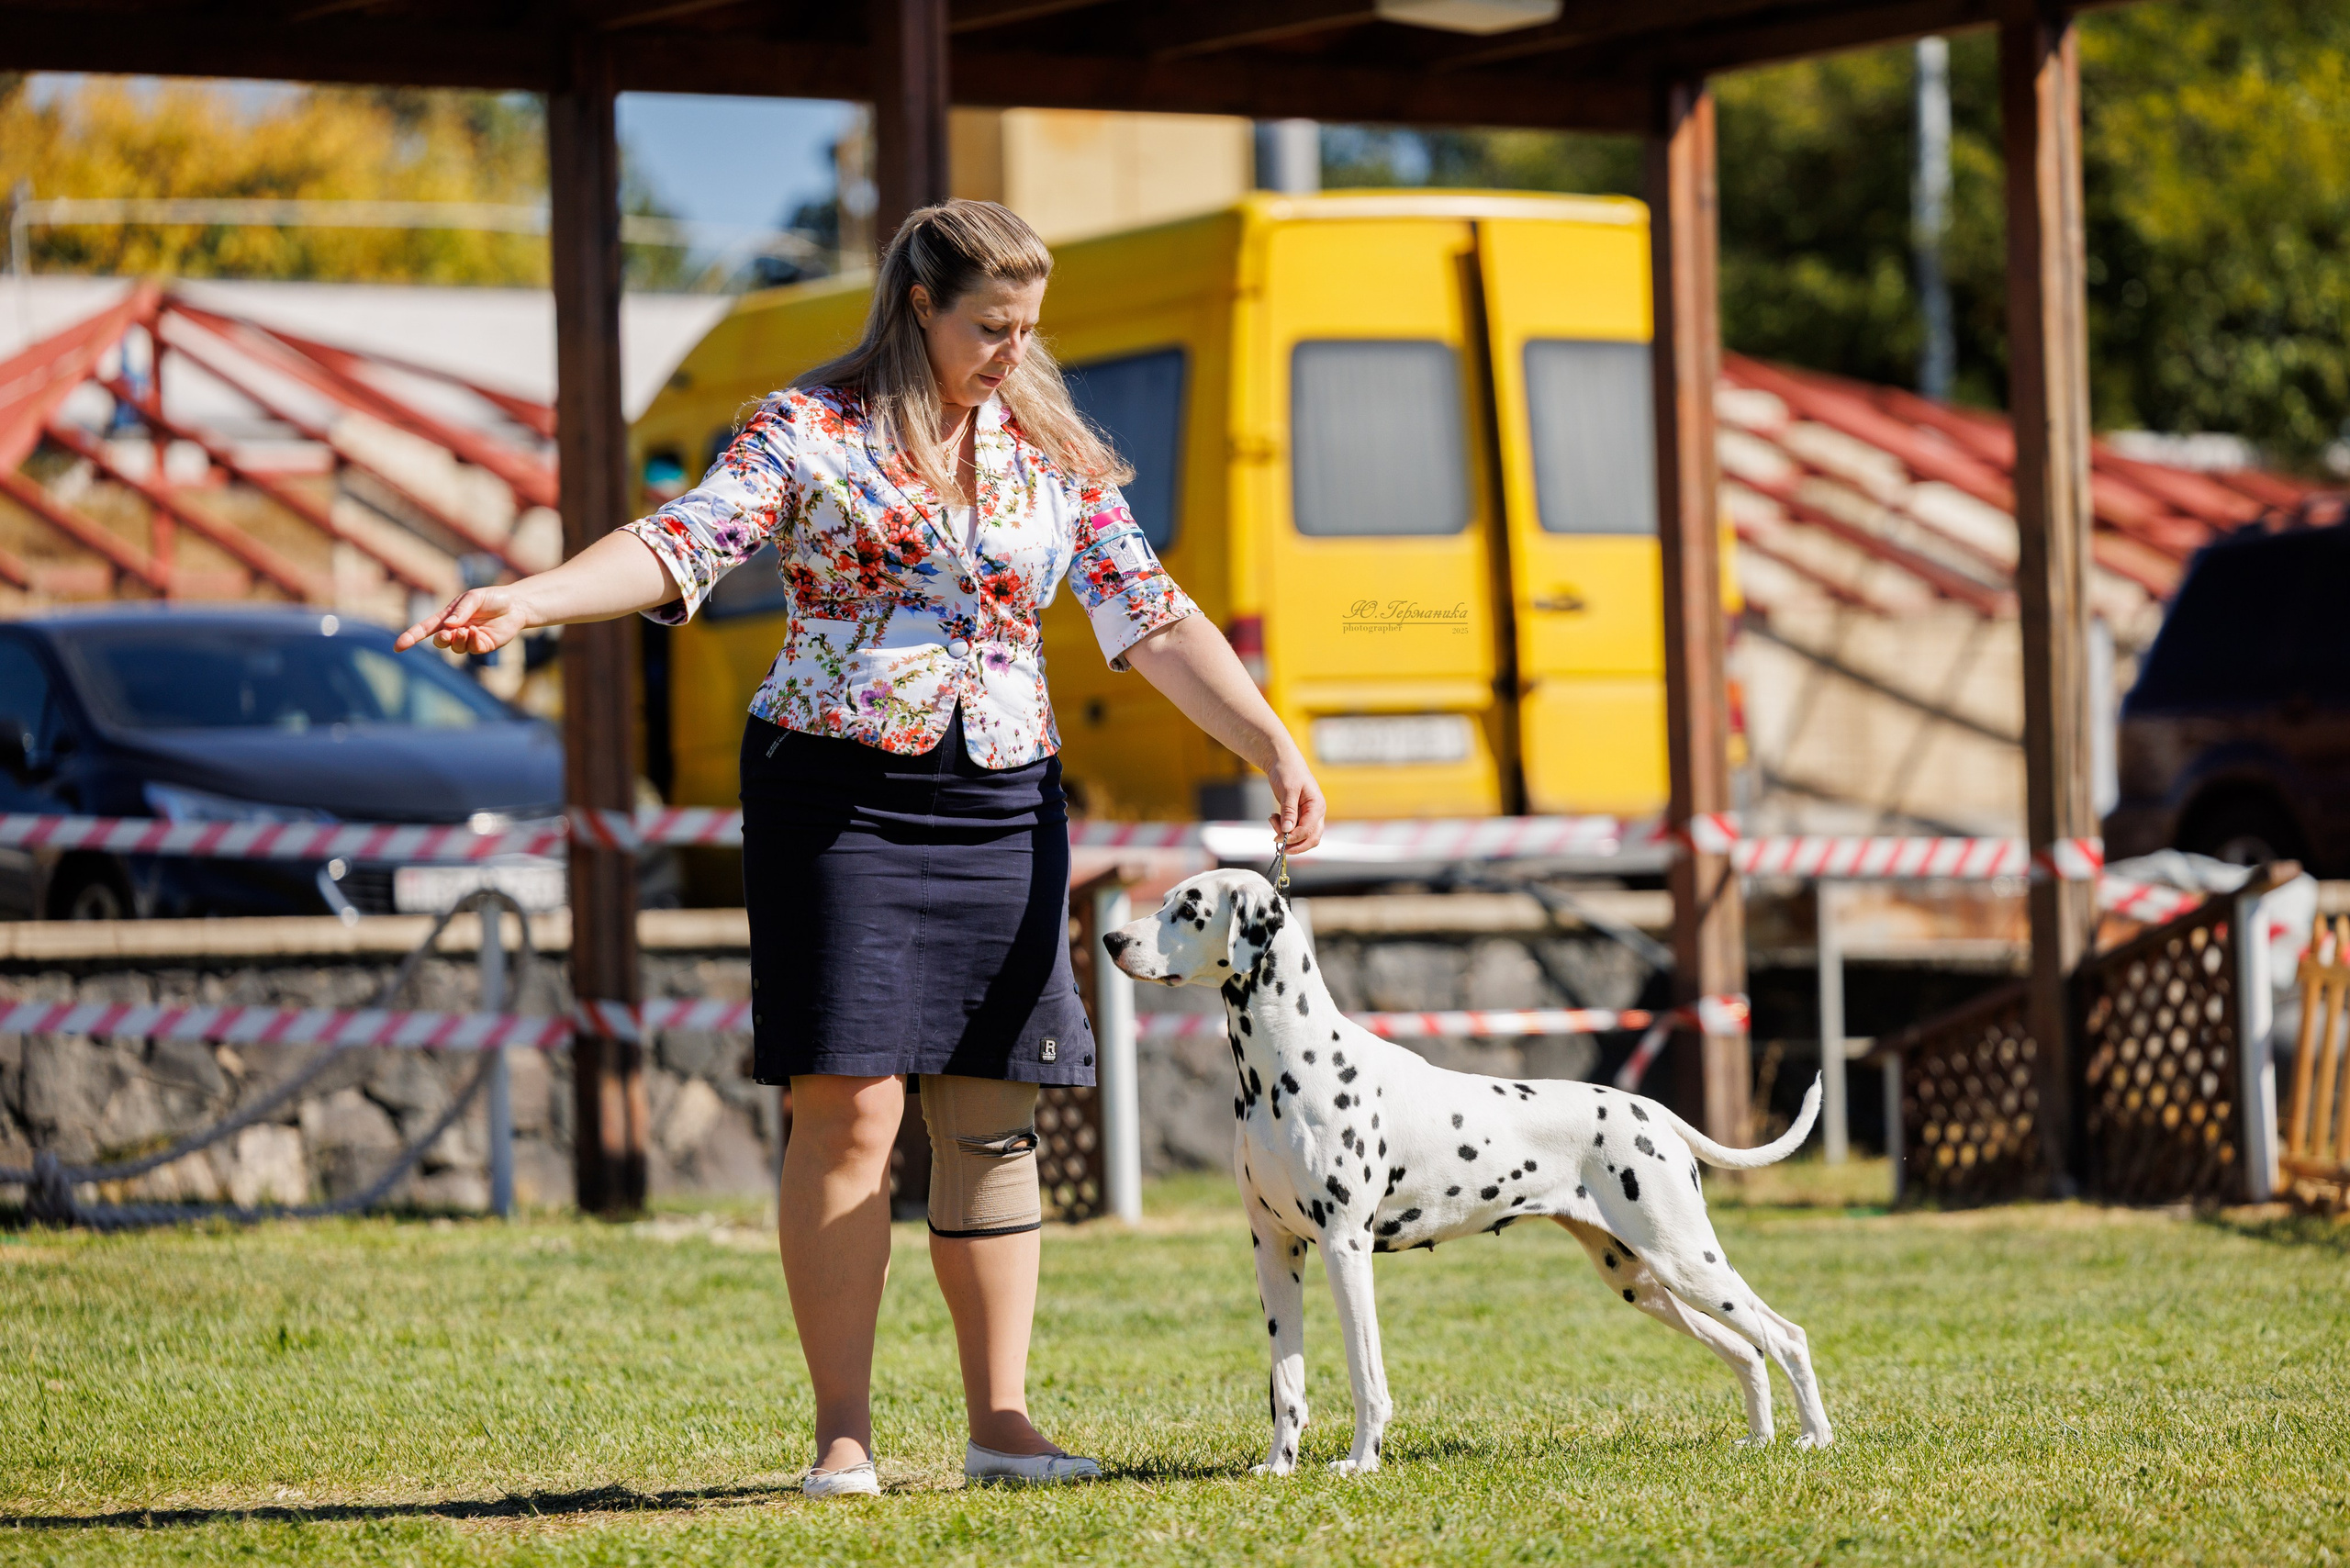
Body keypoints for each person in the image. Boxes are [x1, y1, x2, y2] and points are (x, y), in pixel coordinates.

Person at [397, 198, 1326, 1495]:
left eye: (1028, 328)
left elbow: (1154, 618)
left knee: (993, 1112)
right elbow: (686, 542)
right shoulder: (806, 428)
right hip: (836, 792)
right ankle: (845, 1435)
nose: (1015, 352)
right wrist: (528, 601)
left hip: (1003, 791)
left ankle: (1002, 1426)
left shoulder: (1052, 452)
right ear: (919, 309)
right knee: (848, 1108)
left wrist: (1272, 742)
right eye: (992, 327)